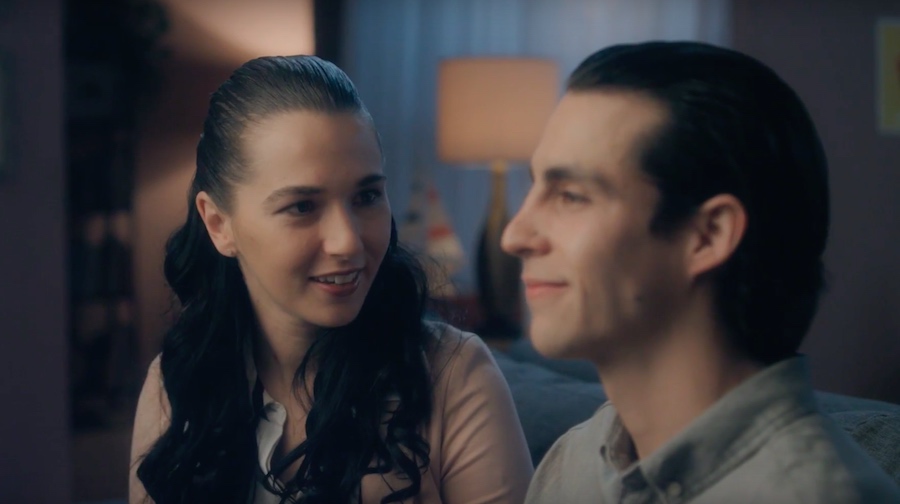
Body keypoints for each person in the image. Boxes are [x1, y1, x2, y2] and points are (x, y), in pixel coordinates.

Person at [501, 41, 900, 503]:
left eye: (570, 196)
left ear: (708, 235)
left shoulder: (820, 495)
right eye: (534, 188)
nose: (515, 236)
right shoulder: (571, 464)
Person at [129, 55, 533, 504]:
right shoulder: (176, 384)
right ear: (219, 224)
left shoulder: (453, 375)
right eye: (302, 206)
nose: (347, 242)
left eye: (367, 196)